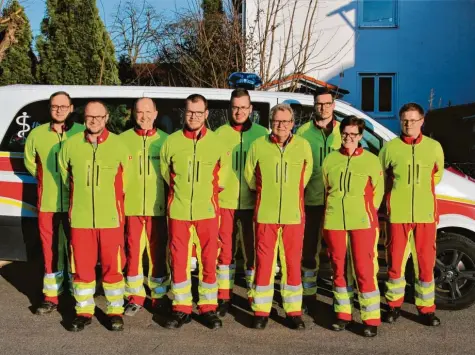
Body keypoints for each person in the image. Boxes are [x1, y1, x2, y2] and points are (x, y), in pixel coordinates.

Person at [59, 101, 129, 332]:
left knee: (113, 266)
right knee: (82, 267)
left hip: (111, 219)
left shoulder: (119, 145)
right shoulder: (70, 146)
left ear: (107, 117)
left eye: (99, 117)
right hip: (80, 218)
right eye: (90, 116)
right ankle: (84, 311)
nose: (94, 121)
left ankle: (115, 311)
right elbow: (64, 176)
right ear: (83, 118)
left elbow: (127, 182)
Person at [160, 94, 226, 330]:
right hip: (178, 210)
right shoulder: (171, 142)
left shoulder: (217, 142)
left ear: (206, 114)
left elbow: (222, 176)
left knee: (209, 259)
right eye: (190, 112)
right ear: (183, 113)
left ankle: (208, 308)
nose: (194, 116)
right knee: (179, 260)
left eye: (199, 113)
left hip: (207, 211)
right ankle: (181, 308)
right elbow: (166, 173)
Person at [244, 103, 313, 330]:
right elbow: (249, 177)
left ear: (293, 124)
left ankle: (293, 312)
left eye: (285, 121)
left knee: (292, 264)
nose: (281, 125)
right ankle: (261, 311)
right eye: (276, 121)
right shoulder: (258, 145)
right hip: (266, 214)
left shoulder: (303, 146)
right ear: (270, 123)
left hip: (294, 215)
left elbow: (306, 175)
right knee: (263, 264)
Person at [380, 103, 444, 326]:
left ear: (422, 120)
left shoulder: (434, 147)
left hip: (425, 215)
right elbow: (383, 178)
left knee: (425, 264)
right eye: (405, 120)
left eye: (413, 120)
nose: (409, 124)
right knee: (395, 263)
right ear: (400, 121)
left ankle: (426, 309)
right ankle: (393, 306)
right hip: (398, 214)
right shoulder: (390, 148)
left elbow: (436, 176)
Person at [322, 116, 383, 337]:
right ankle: (343, 314)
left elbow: (377, 192)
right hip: (334, 221)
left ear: (360, 136)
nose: (348, 138)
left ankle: (370, 319)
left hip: (363, 223)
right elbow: (327, 188)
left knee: (364, 270)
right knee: (338, 269)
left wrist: (363, 211)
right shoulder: (330, 160)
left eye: (353, 134)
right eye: (345, 133)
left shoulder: (371, 161)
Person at [24, 91, 84, 315]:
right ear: (50, 109)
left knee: (77, 250)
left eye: (63, 106)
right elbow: (31, 164)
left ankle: (79, 293)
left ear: (71, 108)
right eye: (54, 106)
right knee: (50, 251)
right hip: (48, 203)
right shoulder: (37, 134)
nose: (59, 110)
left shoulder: (81, 132)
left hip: (77, 205)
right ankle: (51, 296)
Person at [214, 88, 268, 316]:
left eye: (243, 107)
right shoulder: (218, 134)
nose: (239, 112)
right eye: (235, 107)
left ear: (251, 109)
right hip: (224, 202)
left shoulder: (262, 133)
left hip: (253, 203)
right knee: (224, 253)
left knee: (253, 253)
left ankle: (253, 296)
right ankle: (223, 296)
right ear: (230, 108)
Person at [120, 98, 169, 316]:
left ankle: (158, 295)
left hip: (157, 209)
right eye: (140, 112)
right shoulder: (121, 141)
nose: (144, 116)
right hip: (131, 208)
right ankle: (135, 296)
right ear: (133, 113)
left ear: (156, 113)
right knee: (133, 253)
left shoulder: (167, 141)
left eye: (148, 112)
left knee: (158, 253)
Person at [296, 87, 341, 312]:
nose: (322, 107)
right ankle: (309, 295)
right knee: (309, 250)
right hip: (310, 201)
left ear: (333, 105)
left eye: (326, 103)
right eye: (319, 104)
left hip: (337, 203)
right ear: (314, 106)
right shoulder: (303, 132)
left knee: (337, 251)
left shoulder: (345, 132)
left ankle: (339, 298)